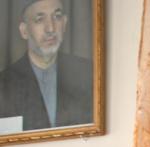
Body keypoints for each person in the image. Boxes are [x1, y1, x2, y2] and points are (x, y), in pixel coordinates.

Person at [0, 0, 93, 131]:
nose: (50, 28)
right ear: (24, 31)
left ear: (64, 23)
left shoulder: (88, 73)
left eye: (57, 17)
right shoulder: (4, 85)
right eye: (39, 19)